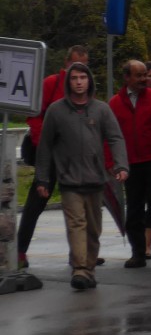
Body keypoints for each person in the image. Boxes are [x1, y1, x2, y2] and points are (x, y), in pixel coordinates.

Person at [34, 62, 129, 291]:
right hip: (69, 180)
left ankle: (89, 270)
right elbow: (45, 146)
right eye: (74, 78)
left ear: (89, 81)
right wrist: (42, 179)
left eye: (82, 78)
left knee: (93, 229)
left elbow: (116, 138)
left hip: (96, 180)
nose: (78, 82)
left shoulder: (101, 109)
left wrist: (121, 165)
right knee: (76, 224)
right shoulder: (56, 111)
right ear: (69, 83)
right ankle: (79, 269)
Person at [17, 44, 89, 270]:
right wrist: (43, 147)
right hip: (48, 156)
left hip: (72, 158)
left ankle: (80, 254)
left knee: (78, 207)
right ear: (66, 63)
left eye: (84, 66)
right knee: (35, 204)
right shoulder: (51, 83)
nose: (80, 71)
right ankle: (19, 251)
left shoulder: (85, 88)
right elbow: (34, 116)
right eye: (76, 64)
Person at [109, 60, 151, 268]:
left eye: (144, 75)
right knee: (134, 209)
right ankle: (138, 252)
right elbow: (110, 135)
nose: (143, 80)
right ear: (127, 78)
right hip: (129, 163)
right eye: (138, 76)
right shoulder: (114, 103)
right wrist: (112, 162)